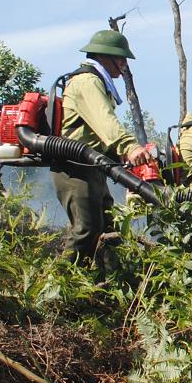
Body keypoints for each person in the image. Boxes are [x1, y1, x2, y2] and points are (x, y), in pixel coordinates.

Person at [51, 28, 151, 262]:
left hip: (91, 167)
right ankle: (58, 286)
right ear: (106, 56)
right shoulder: (87, 81)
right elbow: (105, 120)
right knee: (86, 230)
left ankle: (99, 288)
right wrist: (130, 146)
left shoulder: (97, 82)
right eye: (121, 58)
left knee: (108, 229)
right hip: (74, 167)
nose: (124, 64)